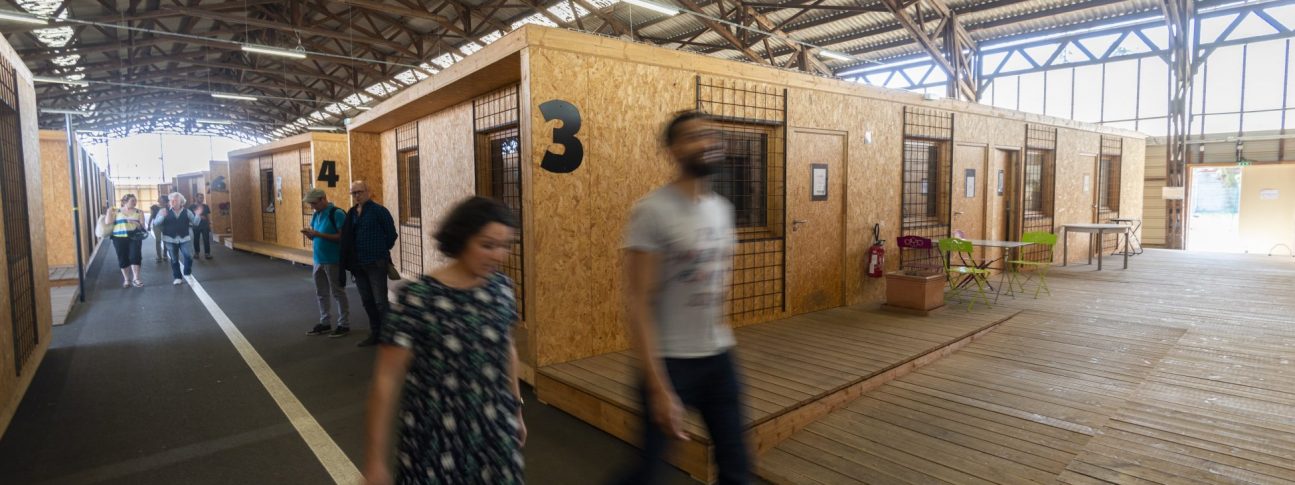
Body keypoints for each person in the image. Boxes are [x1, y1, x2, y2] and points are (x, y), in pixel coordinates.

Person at [615, 111, 749, 484]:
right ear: (673, 150)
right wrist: (658, 386)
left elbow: (719, 282)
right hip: (670, 362)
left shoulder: (722, 210)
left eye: (711, 134)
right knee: (647, 472)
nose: (707, 142)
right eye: (693, 136)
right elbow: (639, 302)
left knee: (737, 467)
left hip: (719, 356)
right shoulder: (652, 211)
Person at [362, 197, 525, 485]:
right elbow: (386, 380)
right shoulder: (419, 298)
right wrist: (375, 461)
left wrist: (516, 408)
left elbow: (507, 349)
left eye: (505, 246)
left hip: (492, 429)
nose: (499, 255)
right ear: (461, 238)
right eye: (487, 245)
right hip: (434, 438)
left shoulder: (501, 289)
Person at [340, 181, 397, 347]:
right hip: (358, 265)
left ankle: (389, 336)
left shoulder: (380, 211)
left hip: (376, 263)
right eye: (354, 193)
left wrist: (380, 251)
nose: (357, 195)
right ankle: (376, 334)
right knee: (367, 301)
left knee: (380, 301)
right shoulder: (351, 214)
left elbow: (391, 235)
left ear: (368, 191)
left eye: (359, 192)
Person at [301, 188, 350, 338]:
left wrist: (318, 234)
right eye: (310, 204)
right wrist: (311, 235)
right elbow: (316, 237)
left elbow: (343, 237)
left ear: (323, 199)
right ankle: (325, 322)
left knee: (338, 292)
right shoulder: (316, 215)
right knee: (321, 293)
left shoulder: (337, 213)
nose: (312, 207)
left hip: (333, 260)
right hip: (318, 260)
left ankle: (344, 324)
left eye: (314, 203)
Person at [155, 192, 203, 285]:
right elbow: (156, 223)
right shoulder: (163, 211)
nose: (173, 201)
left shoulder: (187, 212)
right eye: (171, 200)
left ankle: (187, 274)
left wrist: (197, 215)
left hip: (185, 238)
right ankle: (177, 277)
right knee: (174, 259)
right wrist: (162, 216)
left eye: (176, 200)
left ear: (181, 202)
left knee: (188, 256)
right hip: (169, 239)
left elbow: (195, 223)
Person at [108, 194, 147, 288]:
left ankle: (136, 279)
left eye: (135, 200)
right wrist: (109, 212)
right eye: (132, 201)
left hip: (134, 237)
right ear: (125, 202)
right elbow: (108, 222)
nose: (134, 202)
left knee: (135, 256)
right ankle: (126, 280)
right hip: (118, 237)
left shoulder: (139, 212)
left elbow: (142, 227)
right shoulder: (116, 211)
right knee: (122, 258)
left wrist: (134, 222)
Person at [189, 192, 213, 260]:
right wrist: (199, 217)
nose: (202, 199)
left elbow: (208, 216)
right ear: (196, 198)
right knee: (196, 239)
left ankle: (207, 253)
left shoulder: (206, 206)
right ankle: (196, 253)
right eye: (200, 197)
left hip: (205, 225)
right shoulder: (191, 206)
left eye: (202, 198)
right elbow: (190, 216)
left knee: (206, 240)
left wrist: (209, 224)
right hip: (196, 225)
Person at [149, 196, 168, 262]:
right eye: (159, 198)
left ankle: (165, 254)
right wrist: (149, 225)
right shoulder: (154, 207)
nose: (159, 199)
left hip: (166, 225)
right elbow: (151, 216)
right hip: (156, 225)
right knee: (158, 240)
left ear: (164, 200)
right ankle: (159, 256)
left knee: (166, 240)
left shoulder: (168, 207)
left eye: (161, 198)